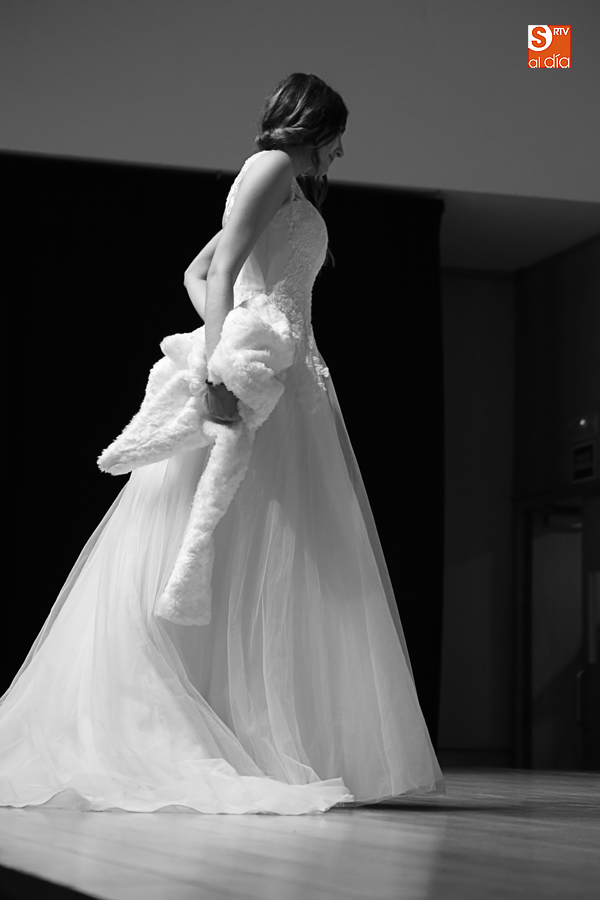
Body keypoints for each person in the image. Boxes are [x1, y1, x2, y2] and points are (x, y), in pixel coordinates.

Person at [0, 73, 444, 815]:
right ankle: (225, 729)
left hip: (292, 374)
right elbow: (218, 274)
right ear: (315, 124)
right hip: (266, 376)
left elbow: (201, 270)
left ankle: (253, 731)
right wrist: (220, 363)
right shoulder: (270, 165)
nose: (342, 150)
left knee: (274, 549)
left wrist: (247, 325)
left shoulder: (283, 183)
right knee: (256, 540)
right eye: (338, 135)